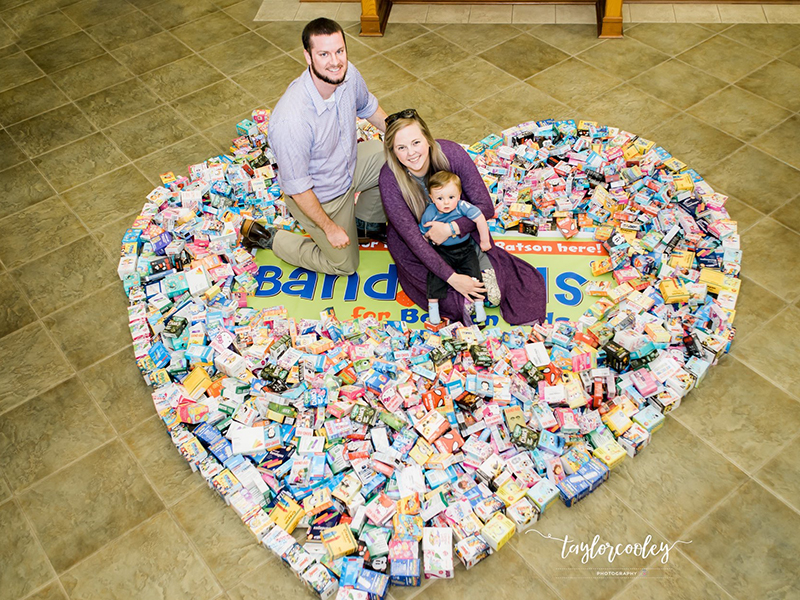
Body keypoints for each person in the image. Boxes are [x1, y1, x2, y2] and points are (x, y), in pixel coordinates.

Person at [241, 18, 388, 276]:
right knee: (344, 265)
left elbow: (368, 107)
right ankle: (270, 238)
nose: (335, 61)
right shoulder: (291, 119)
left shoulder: (347, 73)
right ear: (308, 56)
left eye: (339, 51)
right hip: (322, 196)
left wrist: (403, 137)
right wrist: (330, 228)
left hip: (348, 166)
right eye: (324, 54)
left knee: (393, 154)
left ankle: (366, 223)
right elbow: (299, 190)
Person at [378, 109, 547, 326]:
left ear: (428, 140)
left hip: (464, 235)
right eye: (401, 147)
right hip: (417, 247)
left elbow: (485, 207)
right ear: (393, 152)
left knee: (498, 291)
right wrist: (454, 279)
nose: (411, 153)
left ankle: (480, 273)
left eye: (416, 142)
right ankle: (460, 290)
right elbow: (412, 240)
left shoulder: (452, 153)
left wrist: (452, 229)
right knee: (450, 302)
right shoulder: (389, 178)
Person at [420, 171, 490, 325]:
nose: (446, 203)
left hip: (464, 248)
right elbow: (424, 234)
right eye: (440, 198)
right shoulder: (430, 213)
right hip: (442, 251)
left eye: (451, 197)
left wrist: (485, 241)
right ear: (431, 198)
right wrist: (428, 245)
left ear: (459, 195)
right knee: (435, 276)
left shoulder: (462, 206)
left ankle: (479, 305)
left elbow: (480, 218)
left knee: (474, 273)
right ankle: (433, 307)